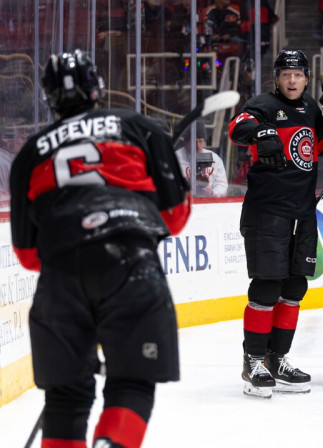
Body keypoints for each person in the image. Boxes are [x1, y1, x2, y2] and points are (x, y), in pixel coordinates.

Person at [9, 50, 190, 448]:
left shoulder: (28, 155)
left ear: (49, 98)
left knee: (65, 399)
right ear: (97, 87)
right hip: (131, 264)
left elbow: (27, 254)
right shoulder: (139, 127)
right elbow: (175, 216)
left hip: (60, 279)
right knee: (131, 382)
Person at [227, 49, 323, 397]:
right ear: (276, 78)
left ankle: (278, 358)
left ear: (306, 78)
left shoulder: (310, 107)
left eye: (298, 74)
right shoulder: (263, 103)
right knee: (267, 285)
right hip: (267, 212)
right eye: (286, 74)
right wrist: (260, 131)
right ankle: (254, 361)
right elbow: (238, 126)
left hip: (303, 212)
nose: (292, 80)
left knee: (294, 288)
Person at [175, 125, 229, 198]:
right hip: (183, 202)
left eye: (200, 141)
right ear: (186, 142)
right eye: (194, 142)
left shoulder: (214, 159)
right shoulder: (175, 157)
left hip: (206, 203)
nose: (197, 146)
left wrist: (213, 192)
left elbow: (221, 184)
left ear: (205, 142)